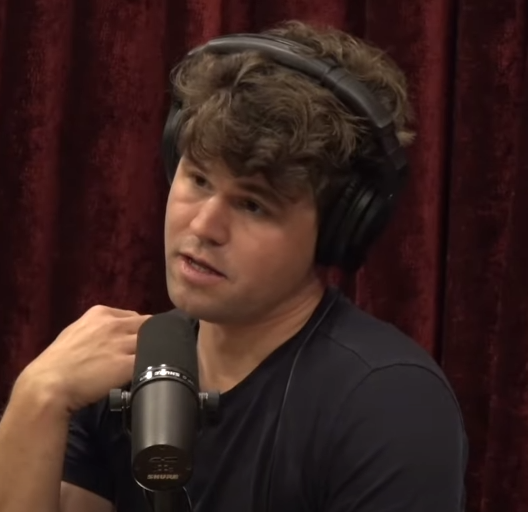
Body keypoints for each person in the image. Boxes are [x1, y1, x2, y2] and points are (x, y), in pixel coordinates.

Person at [0, 19, 467, 512]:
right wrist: (38, 399)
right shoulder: (114, 370)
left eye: (252, 205)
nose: (204, 226)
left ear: (336, 230)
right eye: (199, 179)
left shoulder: (389, 401)